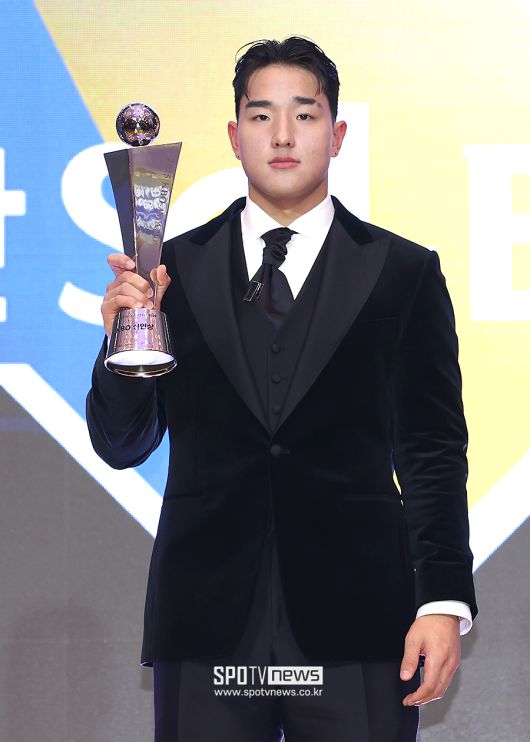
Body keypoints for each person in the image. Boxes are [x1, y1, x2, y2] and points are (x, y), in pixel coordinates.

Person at [87, 36, 477, 742]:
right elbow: (122, 443)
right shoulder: (170, 270)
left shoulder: (404, 273)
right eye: (262, 116)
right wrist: (123, 339)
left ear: (338, 133)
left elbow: (432, 452)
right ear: (235, 137)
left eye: (304, 113)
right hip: (207, 620)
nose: (284, 135)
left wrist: (442, 600)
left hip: (360, 621)